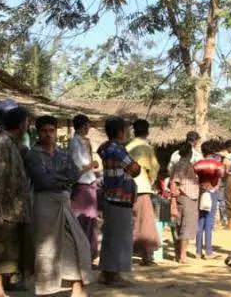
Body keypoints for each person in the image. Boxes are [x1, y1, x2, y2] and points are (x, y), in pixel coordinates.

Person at [25, 116, 94, 297]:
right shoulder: (33, 155)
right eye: (44, 131)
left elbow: (73, 175)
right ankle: (44, 291)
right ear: (38, 133)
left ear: (56, 132)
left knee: (79, 243)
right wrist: (61, 177)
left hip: (64, 202)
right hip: (44, 204)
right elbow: (43, 180)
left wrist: (56, 176)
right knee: (46, 250)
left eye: (51, 131)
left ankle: (77, 288)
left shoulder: (63, 154)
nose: (48, 134)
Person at [0, 106, 34, 297]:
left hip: (17, 208)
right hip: (5, 209)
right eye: (27, 122)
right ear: (21, 124)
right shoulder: (1, 145)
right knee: (2, 250)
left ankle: (9, 283)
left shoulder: (13, 144)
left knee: (14, 249)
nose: (28, 126)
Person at [97, 117, 141, 287]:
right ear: (120, 131)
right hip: (120, 197)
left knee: (110, 236)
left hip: (110, 196)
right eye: (126, 130)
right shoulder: (118, 150)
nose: (128, 133)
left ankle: (105, 273)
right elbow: (135, 169)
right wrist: (136, 164)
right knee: (120, 238)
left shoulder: (105, 147)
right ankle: (114, 275)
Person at [125, 119, 161, 266]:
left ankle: (127, 253)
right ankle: (146, 255)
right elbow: (154, 168)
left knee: (129, 222)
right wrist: (151, 182)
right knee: (145, 222)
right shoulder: (146, 148)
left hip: (126, 187)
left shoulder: (128, 146)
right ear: (147, 132)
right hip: (142, 187)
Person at [68, 114, 99, 261]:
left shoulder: (83, 141)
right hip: (82, 184)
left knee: (90, 220)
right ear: (82, 126)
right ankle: (83, 254)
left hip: (88, 182)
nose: (88, 128)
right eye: (87, 126)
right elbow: (77, 167)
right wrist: (91, 165)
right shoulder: (75, 143)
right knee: (84, 220)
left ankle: (88, 253)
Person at [169, 142, 200, 264]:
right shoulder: (184, 165)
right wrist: (173, 201)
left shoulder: (178, 164)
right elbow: (175, 181)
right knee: (186, 226)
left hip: (185, 197)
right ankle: (182, 255)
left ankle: (179, 254)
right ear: (190, 153)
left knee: (179, 225)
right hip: (187, 196)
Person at [193, 141, 224, 259]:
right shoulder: (217, 164)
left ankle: (198, 251)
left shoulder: (197, 164)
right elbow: (221, 176)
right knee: (209, 222)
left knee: (200, 221)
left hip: (201, 191)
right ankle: (208, 251)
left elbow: (195, 176)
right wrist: (214, 187)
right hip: (212, 192)